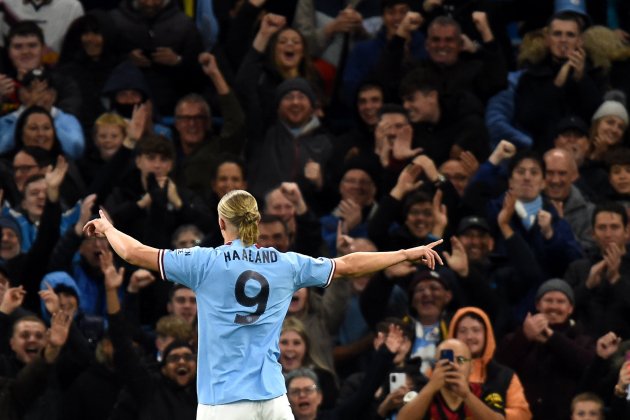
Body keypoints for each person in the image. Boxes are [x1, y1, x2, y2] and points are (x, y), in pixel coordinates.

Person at [83, 189, 443, 419]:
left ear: (223, 222)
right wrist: (405, 253)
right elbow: (348, 265)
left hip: (223, 401)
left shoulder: (203, 262)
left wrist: (109, 229)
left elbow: (133, 253)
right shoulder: (287, 264)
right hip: (272, 397)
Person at [448, 307, 532, 419]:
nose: (469, 337)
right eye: (462, 331)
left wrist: (494, 414)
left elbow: (523, 414)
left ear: (487, 335)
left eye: (476, 330)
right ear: (453, 335)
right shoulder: (439, 370)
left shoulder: (505, 375)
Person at [398, 338, 506, 420]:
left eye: (460, 360)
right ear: (434, 367)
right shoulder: (421, 392)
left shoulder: (487, 392)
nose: (453, 365)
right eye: (445, 360)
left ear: (472, 367)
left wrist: (467, 395)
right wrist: (431, 387)